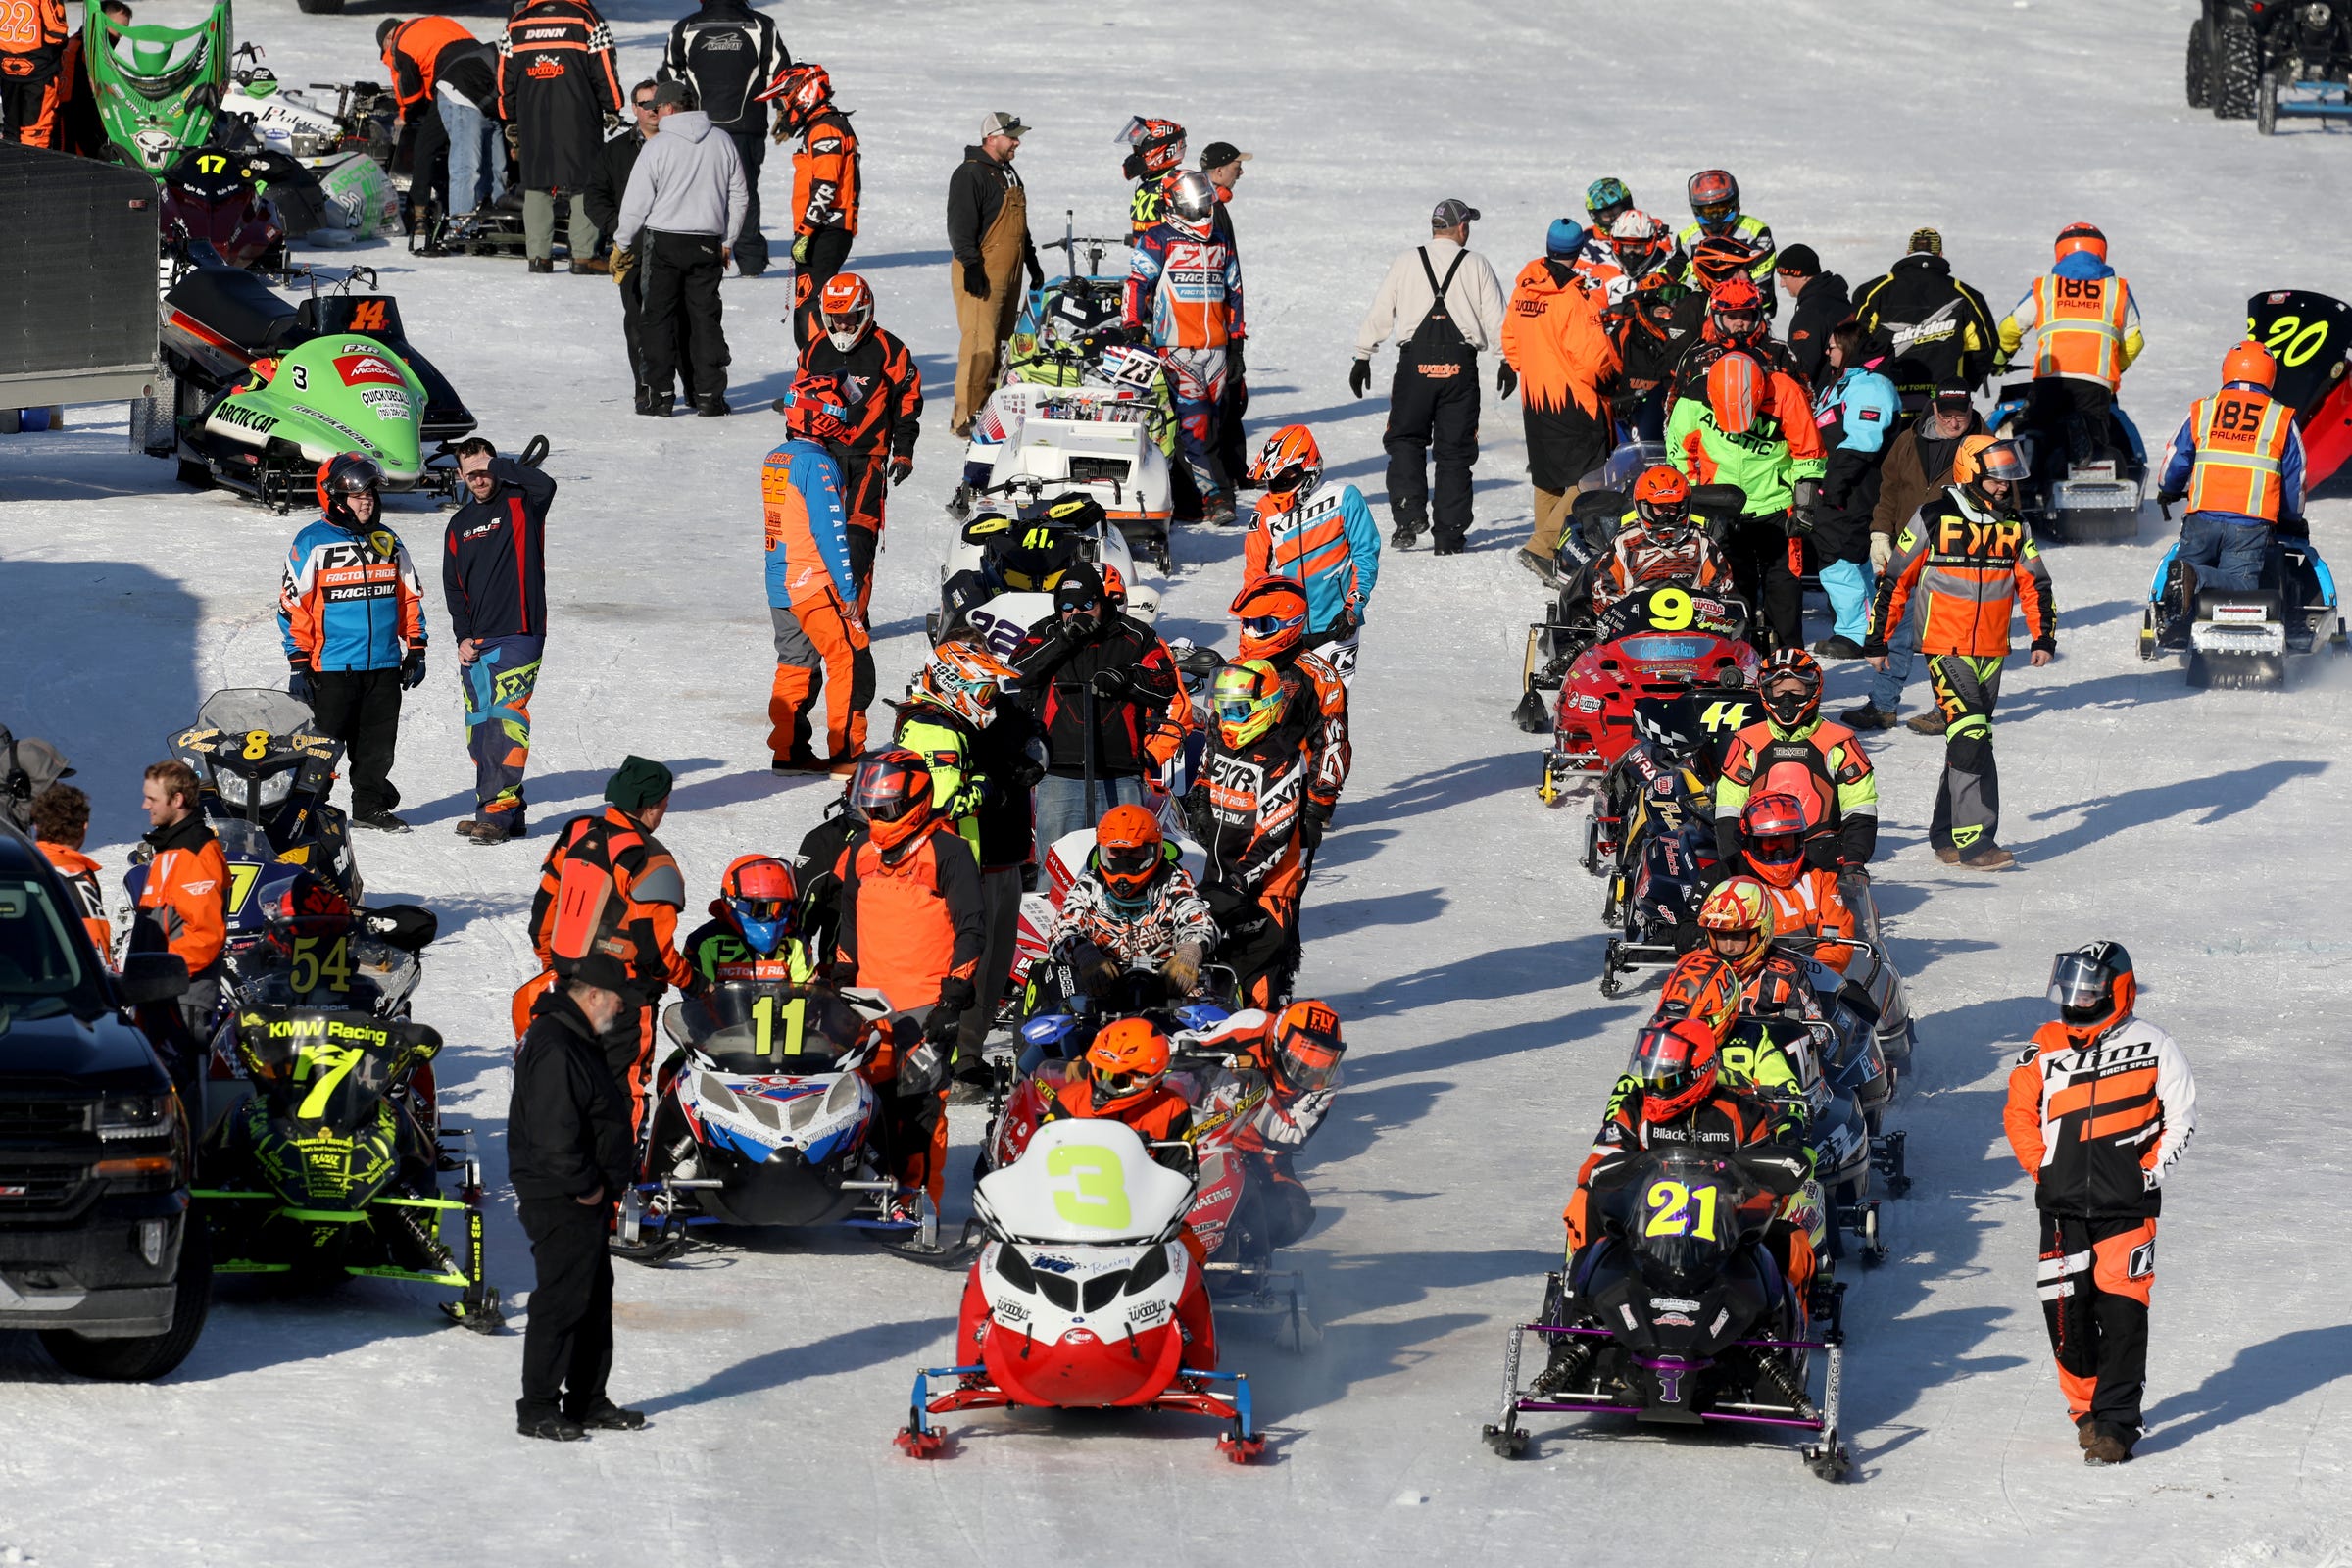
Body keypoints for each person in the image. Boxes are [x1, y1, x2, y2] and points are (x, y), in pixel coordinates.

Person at [2003, 942, 2196, 1465]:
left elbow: (2182, 1115)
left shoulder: (2155, 1043)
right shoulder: (2043, 1044)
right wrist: (2041, 1167)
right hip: (2062, 1209)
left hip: (2127, 1210)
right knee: (2066, 1315)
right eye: (2072, 988)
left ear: (2118, 989)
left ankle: (2116, 1424)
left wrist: (2147, 1172)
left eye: (2089, 989)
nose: (2078, 998)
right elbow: (2019, 1111)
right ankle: (2086, 1413)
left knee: (2124, 1313)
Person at [1544, 1021, 1811, 1393]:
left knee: (1792, 1238)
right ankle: (1576, 1318)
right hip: (1643, 1229)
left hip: (1721, 1234)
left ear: (1699, 1072)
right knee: (1582, 1201)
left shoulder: (1743, 1113)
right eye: (1650, 1075)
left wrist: (1743, 1195)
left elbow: (1767, 1187)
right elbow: (1598, 1161)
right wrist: (1615, 1173)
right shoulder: (1636, 1107)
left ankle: (1783, 1344)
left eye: (1665, 1078)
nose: (1654, 1085)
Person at [1866, 435, 2055, 869]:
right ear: (1971, 473)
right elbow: (1896, 579)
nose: (2004, 486)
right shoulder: (1932, 516)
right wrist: (1879, 639)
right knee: (1971, 733)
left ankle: (1945, 835)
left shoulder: (2015, 524)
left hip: (1992, 650)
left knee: (1967, 739)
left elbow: (2035, 583)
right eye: (1996, 478)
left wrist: (2042, 636)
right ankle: (1975, 842)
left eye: (2008, 479)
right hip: (1943, 646)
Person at [830, 748, 984, 1215]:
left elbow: (972, 927)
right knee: (863, 1104)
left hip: (925, 1008)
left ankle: (918, 1203)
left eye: (885, 809)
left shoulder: (950, 851)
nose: (876, 817)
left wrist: (953, 999)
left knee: (920, 1112)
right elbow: (849, 922)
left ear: (915, 801)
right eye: (871, 808)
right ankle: (866, 1196)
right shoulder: (859, 851)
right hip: (869, 1006)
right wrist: (841, 974)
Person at [509, 952, 644, 1442]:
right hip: (561, 1196)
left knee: (591, 1297)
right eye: (615, 1000)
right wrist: (585, 1185)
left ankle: (586, 1399)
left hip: (582, 1193)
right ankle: (538, 1407)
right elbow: (551, 1134)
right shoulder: (556, 1043)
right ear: (592, 995)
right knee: (562, 1300)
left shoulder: (573, 1036)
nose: (621, 1010)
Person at [524, 757, 696, 1128]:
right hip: (625, 999)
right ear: (652, 805)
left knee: (569, 1084)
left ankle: (570, 1172)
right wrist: (696, 983)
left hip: (569, 989)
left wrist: (554, 968)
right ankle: (617, 1178)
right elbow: (655, 953)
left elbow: (542, 915)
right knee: (623, 1089)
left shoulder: (577, 834)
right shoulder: (650, 858)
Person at [279, 455, 428, 833]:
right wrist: (298, 662)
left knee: (377, 746)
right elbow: (293, 605)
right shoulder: (312, 542)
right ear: (336, 498)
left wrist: (416, 648)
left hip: (382, 665)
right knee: (320, 747)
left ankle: (369, 807)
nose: (368, 502)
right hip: (329, 668)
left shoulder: (388, 541)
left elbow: (409, 597)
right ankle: (310, 808)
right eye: (359, 495)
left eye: (372, 495)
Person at [1349, 199, 1508, 555]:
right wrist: (1506, 361)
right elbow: (1498, 320)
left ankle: (1408, 516)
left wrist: (1364, 355)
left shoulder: (1406, 261)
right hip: (1459, 367)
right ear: (1462, 227)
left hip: (1414, 365)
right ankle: (1449, 535)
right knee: (1454, 452)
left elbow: (1380, 310)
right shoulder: (1476, 264)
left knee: (1405, 439)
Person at [1006, 561, 1180, 855]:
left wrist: (1125, 679)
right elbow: (1019, 670)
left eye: (1084, 604)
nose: (1075, 613)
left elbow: (1165, 684)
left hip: (1119, 772)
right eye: (1066, 606)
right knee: (1055, 870)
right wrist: (1064, 639)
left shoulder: (1135, 635)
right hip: (1060, 773)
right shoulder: (1047, 631)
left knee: (1125, 862)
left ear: (1100, 601)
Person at [1844, 377, 1984, 730]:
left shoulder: (1986, 445)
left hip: (1956, 559)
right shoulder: (1909, 439)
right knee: (1895, 631)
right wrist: (1880, 532)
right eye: (1947, 415)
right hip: (1907, 554)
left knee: (1948, 639)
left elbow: (2005, 502)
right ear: (1933, 408)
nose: (1955, 422)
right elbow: (1889, 489)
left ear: (1971, 409)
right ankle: (1883, 706)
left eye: (1962, 414)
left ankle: (1949, 709)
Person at [2153, 339, 2308, 648]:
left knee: (2179, 579)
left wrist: (2168, 491)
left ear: (2226, 371)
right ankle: (2197, 579)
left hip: (2201, 518)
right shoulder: (2281, 418)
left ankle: (2179, 620)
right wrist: (2291, 517)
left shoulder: (2203, 408)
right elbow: (2296, 478)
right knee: (2241, 588)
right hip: (2250, 525)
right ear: (2270, 376)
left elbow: (2175, 459)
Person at [1666, 349, 1824, 651]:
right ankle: (1735, 662)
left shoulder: (1786, 392)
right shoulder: (1693, 398)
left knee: (1785, 593)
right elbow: (1681, 456)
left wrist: (1804, 504)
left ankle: (1789, 670)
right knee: (1729, 595)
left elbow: (1808, 451)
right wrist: (1699, 504)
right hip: (1720, 510)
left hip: (1778, 508)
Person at [441, 438, 557, 845]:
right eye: (469, 473)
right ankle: (504, 807)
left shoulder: (523, 503)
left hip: (520, 630)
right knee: (479, 725)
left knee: (506, 719)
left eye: (484, 470)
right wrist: (463, 636)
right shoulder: (457, 525)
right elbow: (454, 588)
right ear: (459, 475)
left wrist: (503, 465)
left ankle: (496, 811)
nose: (478, 479)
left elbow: (547, 486)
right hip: (477, 640)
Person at [614, 79, 747, 418]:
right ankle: (709, 395)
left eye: (658, 107)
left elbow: (636, 201)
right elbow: (740, 196)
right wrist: (729, 239)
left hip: (664, 242)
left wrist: (622, 241)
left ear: (670, 108)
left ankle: (659, 395)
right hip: (707, 243)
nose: (656, 113)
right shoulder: (722, 141)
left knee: (657, 318)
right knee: (705, 320)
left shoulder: (658, 146)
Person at [762, 373, 874, 771]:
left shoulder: (778, 457)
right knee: (851, 657)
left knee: (796, 661)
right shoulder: (819, 464)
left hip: (780, 582)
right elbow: (830, 530)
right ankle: (848, 752)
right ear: (822, 417)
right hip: (814, 582)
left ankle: (788, 751)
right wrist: (847, 589)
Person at [1197, 659, 1320, 1008]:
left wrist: (1237, 882)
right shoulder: (1220, 741)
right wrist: (1199, 807)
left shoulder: (1282, 758)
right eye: (1222, 709)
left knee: (1257, 985)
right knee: (1212, 977)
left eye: (1236, 710)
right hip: (1220, 876)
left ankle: (1267, 1049)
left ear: (1263, 707)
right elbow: (1205, 782)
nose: (1227, 719)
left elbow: (1275, 836)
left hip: (1265, 889)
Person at [1502, 221, 1624, 572]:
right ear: (1578, 251)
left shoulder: (1524, 290)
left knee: (1548, 476)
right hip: (1574, 401)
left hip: (1535, 399)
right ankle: (1543, 547)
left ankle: (1547, 553)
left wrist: (1537, 370)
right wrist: (1611, 381)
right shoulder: (1574, 298)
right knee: (1592, 475)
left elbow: (1510, 341)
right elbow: (1592, 359)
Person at [1125, 171, 1244, 525]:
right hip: (1177, 349)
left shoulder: (1220, 241)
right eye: (1196, 201)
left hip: (1218, 349)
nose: (1203, 207)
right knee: (1196, 426)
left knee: (1215, 425)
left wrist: (1236, 342)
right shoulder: (1158, 239)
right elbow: (1136, 284)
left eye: (1205, 200)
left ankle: (1188, 500)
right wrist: (1132, 323)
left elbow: (1235, 292)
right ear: (1176, 205)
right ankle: (1217, 498)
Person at [1025, 802, 1215, 1022]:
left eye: (1135, 853)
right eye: (1115, 853)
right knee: (1045, 971)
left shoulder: (1175, 882)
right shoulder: (1089, 884)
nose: (1124, 864)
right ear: (1102, 851)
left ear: (1155, 850)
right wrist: (1085, 954)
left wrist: (1190, 952)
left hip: (1167, 986)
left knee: (1215, 1012)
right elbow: (1063, 929)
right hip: (1100, 986)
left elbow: (1200, 920)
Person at [793, 272, 921, 597]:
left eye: (849, 317)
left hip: (868, 459)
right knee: (818, 538)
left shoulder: (890, 349)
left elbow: (907, 402)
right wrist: (795, 450)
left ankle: (855, 621)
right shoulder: (814, 350)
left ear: (864, 312)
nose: (843, 326)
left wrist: (903, 452)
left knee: (858, 541)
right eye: (836, 318)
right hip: (822, 458)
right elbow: (798, 400)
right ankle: (822, 616)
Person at [1997, 223, 2145, 494]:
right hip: (2095, 379)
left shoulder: (2046, 287)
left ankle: (2032, 483)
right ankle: (2081, 427)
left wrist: (2000, 356)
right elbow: (2135, 341)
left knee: (2037, 427)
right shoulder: (2117, 289)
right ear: (2101, 250)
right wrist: (2115, 366)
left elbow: (2011, 326)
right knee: (2097, 439)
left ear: (2061, 251)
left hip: (2051, 379)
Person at [1713, 647, 1879, 872]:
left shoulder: (1839, 742)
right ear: (1766, 692)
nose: (1787, 700)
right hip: (1762, 858)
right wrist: (1734, 864)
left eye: (1796, 691)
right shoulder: (1748, 742)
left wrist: (1854, 860)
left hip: (1822, 861)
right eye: (1780, 692)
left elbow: (1860, 807)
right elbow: (1729, 808)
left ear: (1812, 690)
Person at [658, 0, 786, 276]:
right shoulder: (762, 25)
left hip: (697, 128)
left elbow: (669, 77)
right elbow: (780, 74)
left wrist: (665, 117)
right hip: (747, 126)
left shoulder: (686, 27)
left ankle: (698, 256)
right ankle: (751, 262)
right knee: (745, 191)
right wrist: (785, 112)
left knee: (698, 190)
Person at [1243, 425, 1381, 677]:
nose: (1277, 485)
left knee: (1332, 703)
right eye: (1272, 480)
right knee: (1282, 703)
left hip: (1337, 621)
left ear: (1308, 467)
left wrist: (1353, 608)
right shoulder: (1264, 511)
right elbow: (1254, 572)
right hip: (1283, 626)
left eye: (1285, 477)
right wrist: (1255, 620)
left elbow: (1366, 554)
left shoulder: (1344, 497)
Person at [497, 0, 622, 274]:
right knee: (584, 183)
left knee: (536, 184)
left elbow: (504, 76)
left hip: (532, 117)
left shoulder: (517, 23)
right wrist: (612, 105)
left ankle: (539, 257)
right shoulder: (587, 18)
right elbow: (604, 67)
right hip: (579, 115)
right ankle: (583, 256)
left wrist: (510, 117)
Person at [946, 113, 1043, 437]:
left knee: (1001, 346)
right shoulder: (970, 174)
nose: (1018, 142)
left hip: (1008, 274)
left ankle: (989, 411)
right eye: (1012, 137)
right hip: (981, 272)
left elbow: (1019, 227)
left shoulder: (1007, 174)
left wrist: (1031, 261)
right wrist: (971, 265)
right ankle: (965, 417)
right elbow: (960, 226)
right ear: (992, 138)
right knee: (979, 345)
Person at [1810, 320, 1903, 658]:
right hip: (1839, 482)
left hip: (1858, 485)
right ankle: (1860, 629)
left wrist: (1834, 487)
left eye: (1832, 346)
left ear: (1848, 348)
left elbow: (1864, 441)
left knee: (1840, 558)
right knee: (1845, 557)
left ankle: (1858, 635)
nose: (1827, 352)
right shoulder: (1843, 383)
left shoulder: (1871, 385)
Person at [1227, 577, 1352, 818]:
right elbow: (1218, 730)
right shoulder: (1237, 666)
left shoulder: (1319, 677)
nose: (1250, 632)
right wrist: (1204, 787)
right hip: (1234, 789)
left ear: (1291, 624)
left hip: (1288, 795)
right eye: (1246, 623)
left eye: (1261, 624)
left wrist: (1318, 804)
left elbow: (1331, 743)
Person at [760, 64, 860, 348]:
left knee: (812, 309)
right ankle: (814, 379)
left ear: (801, 94)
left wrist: (805, 231)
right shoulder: (821, 126)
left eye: (782, 101)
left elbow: (826, 185)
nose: (780, 109)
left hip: (825, 231)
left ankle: (819, 383)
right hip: (823, 230)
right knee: (811, 306)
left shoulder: (826, 128)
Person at [1849, 227, 2001, 412]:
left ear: (1908, 253)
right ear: (1940, 254)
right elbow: (1983, 348)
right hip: (1944, 403)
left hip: (1886, 399)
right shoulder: (1966, 295)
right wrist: (1961, 387)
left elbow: (1853, 343)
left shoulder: (1873, 292)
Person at [583, 82, 664, 411]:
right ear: (634, 108)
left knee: (683, 322)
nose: (652, 110)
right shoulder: (616, 151)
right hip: (633, 250)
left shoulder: (684, 147)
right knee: (638, 322)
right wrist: (621, 228)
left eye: (658, 103)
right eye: (645, 104)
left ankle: (695, 390)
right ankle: (645, 387)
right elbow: (594, 198)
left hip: (677, 246)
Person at [132, 760, 227, 1036]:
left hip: (181, 999)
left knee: (179, 1077)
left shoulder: (197, 851)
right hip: (156, 996)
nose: (145, 805)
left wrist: (161, 978)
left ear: (178, 799)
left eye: (152, 798)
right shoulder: (168, 849)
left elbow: (205, 935)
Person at [1737, 792, 1859, 973]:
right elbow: (1699, 937)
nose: (1779, 855)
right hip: (1747, 980)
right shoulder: (1726, 878)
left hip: (1812, 979)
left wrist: (1813, 976)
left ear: (1800, 841)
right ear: (1752, 842)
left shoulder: (1821, 878)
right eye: (1770, 846)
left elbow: (1838, 940)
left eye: (1786, 845)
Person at [376, 17, 476, 233]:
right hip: (483, 65)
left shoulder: (400, 43)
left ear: (388, 38)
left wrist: (404, 116)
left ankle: (418, 214)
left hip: (454, 78)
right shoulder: (428, 24)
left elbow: (411, 96)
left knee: (425, 145)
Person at [1591, 465, 1730, 611]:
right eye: (1659, 507)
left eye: (1672, 506)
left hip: (1694, 626)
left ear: (1683, 506)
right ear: (1644, 507)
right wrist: (1619, 613)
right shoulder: (1624, 541)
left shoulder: (1700, 538)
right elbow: (1602, 590)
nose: (1666, 515)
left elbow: (1724, 590)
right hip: (1637, 627)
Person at [1201, 141, 1253, 491]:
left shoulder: (1215, 203)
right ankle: (1219, 479)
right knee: (1221, 400)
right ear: (1219, 170)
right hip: (1212, 323)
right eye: (1237, 165)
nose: (1242, 171)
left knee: (1233, 396)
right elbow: (1223, 275)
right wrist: (1233, 338)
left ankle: (1234, 471)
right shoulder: (1208, 208)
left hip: (1220, 321)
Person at [682, 854, 815, 989]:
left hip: (782, 1010)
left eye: (780, 908)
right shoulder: (704, 942)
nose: (772, 918)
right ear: (732, 903)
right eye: (761, 909)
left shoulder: (796, 941)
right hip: (723, 1010)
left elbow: (806, 996)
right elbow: (698, 1000)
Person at [1609, 273, 1705, 441]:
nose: (1669, 317)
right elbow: (1603, 379)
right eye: (1662, 311)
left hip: (1678, 429)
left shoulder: (1689, 337)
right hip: (1629, 430)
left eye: (1674, 313)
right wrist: (1617, 403)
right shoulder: (1623, 335)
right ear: (1644, 309)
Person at [1675, 169, 1776, 304]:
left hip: (1749, 309)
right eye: (1709, 211)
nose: (1716, 216)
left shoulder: (1756, 232)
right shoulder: (1686, 239)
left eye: (1721, 209)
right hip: (1702, 310)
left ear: (1734, 204)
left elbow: (1762, 276)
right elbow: (1672, 272)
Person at [31, 785, 108, 957]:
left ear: (36, 826)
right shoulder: (73, 876)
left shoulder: (19, 864)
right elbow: (96, 946)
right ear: (84, 826)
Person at [50, 0, 131, 161]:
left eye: (123, 31)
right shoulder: (79, 48)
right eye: (117, 29)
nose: (119, 36)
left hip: (91, 120)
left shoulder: (101, 51)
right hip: (72, 123)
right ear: (100, 22)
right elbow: (70, 100)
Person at [1774, 245, 1849, 391]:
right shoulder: (1837, 298)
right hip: (1843, 392)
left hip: (1824, 400)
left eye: (1784, 277)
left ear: (1803, 276)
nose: (1781, 284)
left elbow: (1801, 371)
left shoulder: (1811, 312)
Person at [0, 0, 66, 148]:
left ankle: (11, 168)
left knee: (11, 129)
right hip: (40, 73)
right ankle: (32, 168)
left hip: (7, 69)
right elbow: (57, 34)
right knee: (36, 132)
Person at [1117, 115, 1187, 234]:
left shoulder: (1176, 189)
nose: (1135, 156)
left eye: (1139, 150)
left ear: (1158, 150)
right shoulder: (1144, 188)